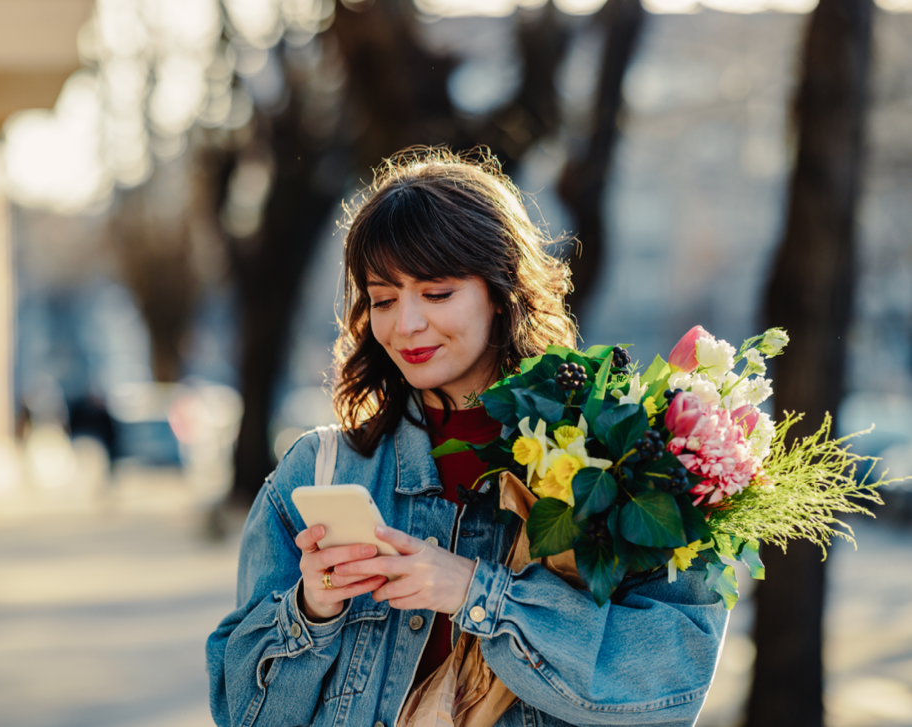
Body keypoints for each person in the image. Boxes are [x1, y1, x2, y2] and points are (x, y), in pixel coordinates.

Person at [206, 148, 728, 727]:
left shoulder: (619, 460)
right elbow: (242, 716)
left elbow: (671, 685)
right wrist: (311, 612)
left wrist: (477, 594)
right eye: (382, 299)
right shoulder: (317, 473)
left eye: (436, 293)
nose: (405, 325)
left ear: (501, 293)